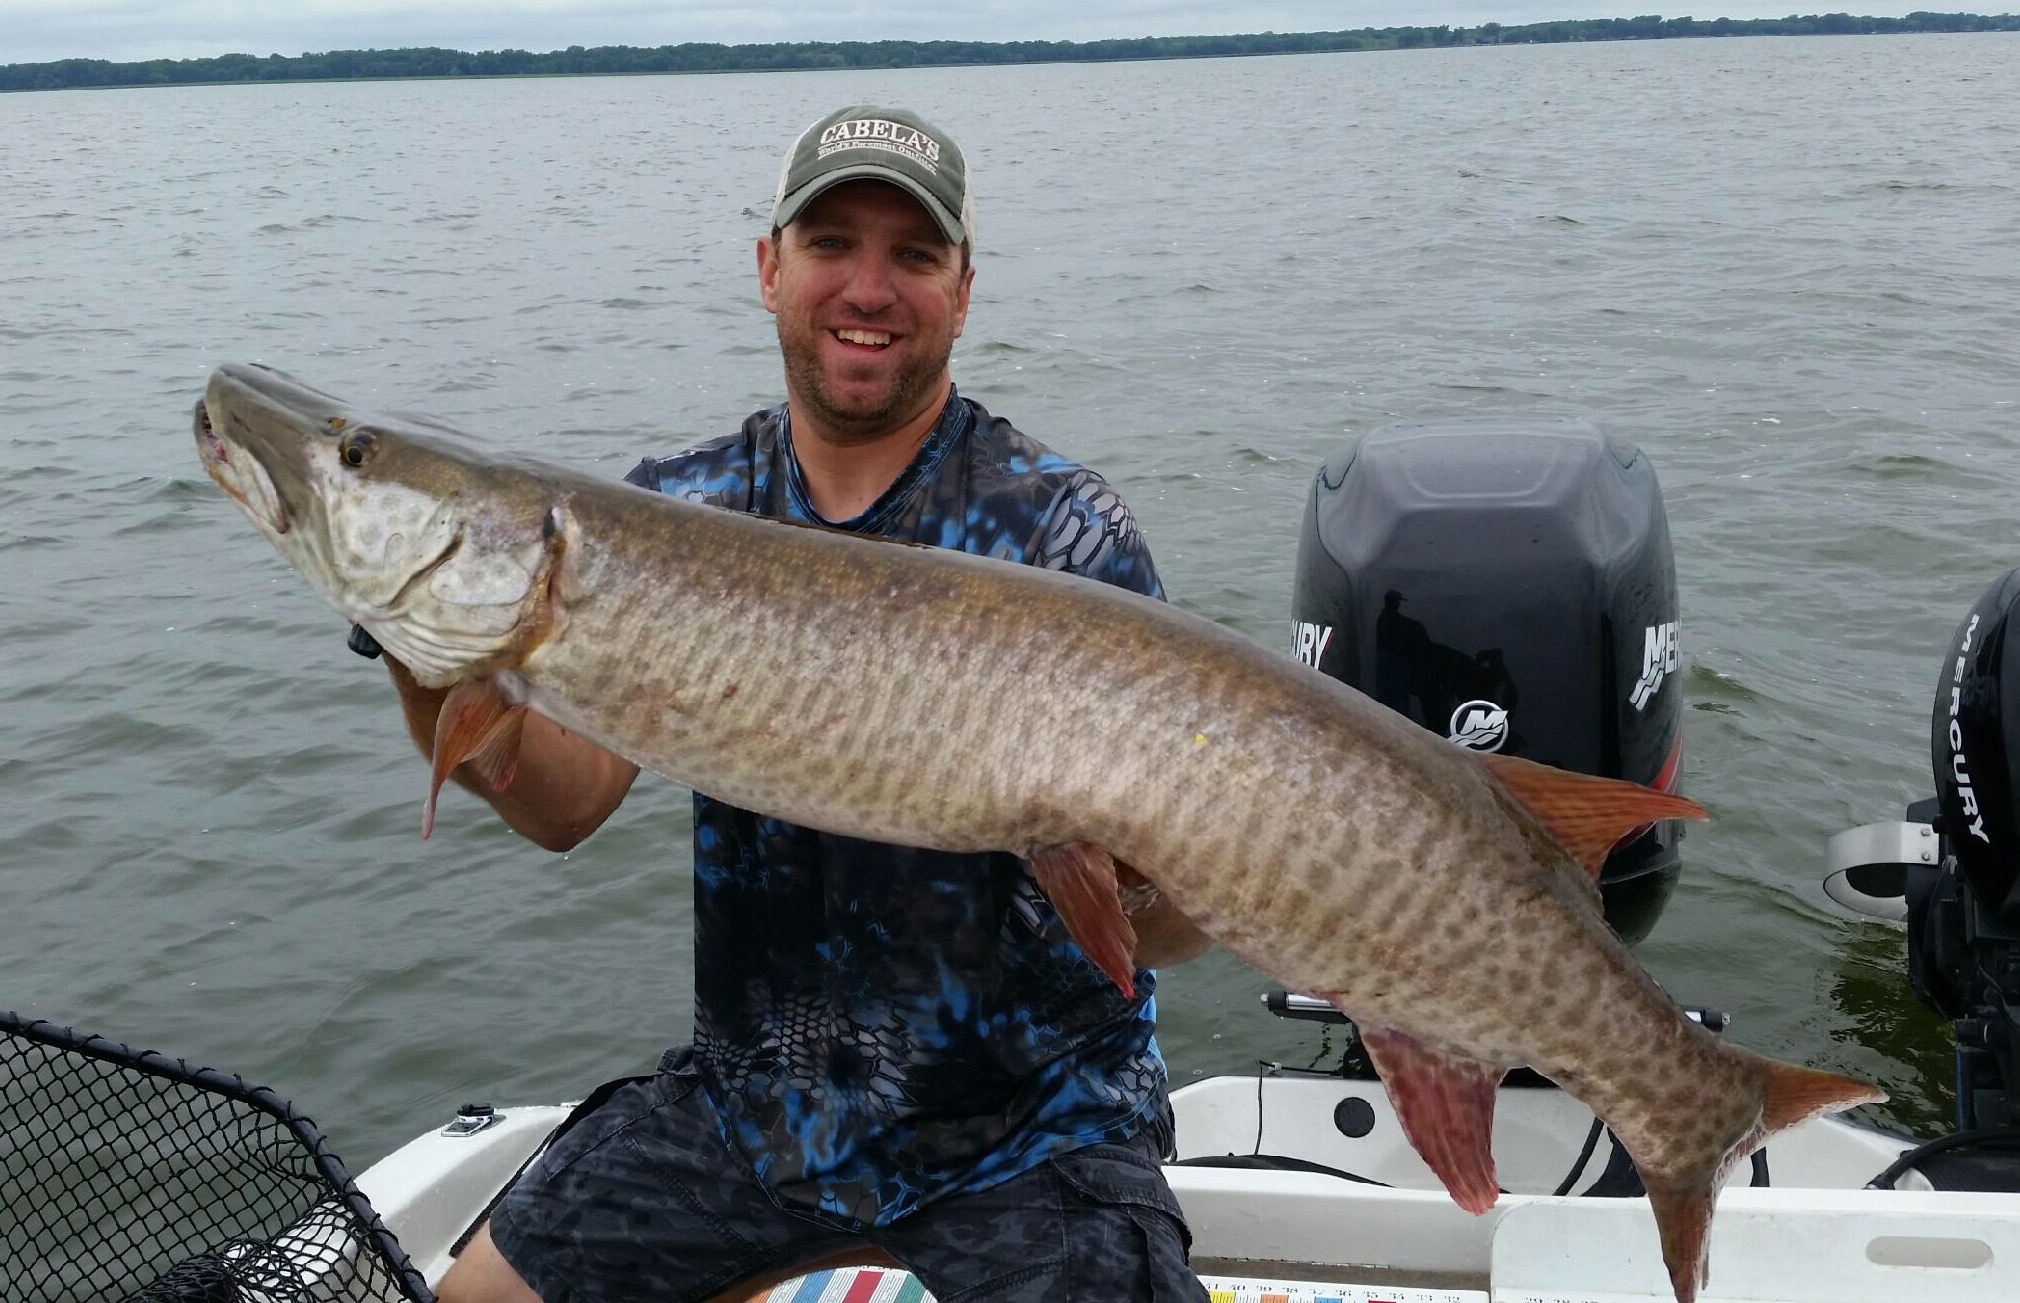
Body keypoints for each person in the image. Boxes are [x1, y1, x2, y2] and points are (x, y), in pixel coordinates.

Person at [374, 105, 1212, 1303]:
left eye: (912, 256)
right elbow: (555, 805)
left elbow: (1168, 939)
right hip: (753, 1112)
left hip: (1034, 1126)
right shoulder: (680, 510)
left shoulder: (1062, 532)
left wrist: (1157, 876)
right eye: (831, 244)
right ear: (770, 266)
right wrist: (425, 647)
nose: (867, 288)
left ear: (962, 290)